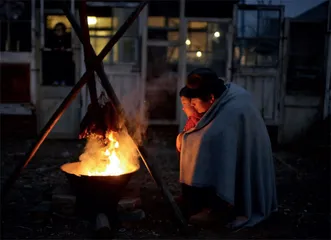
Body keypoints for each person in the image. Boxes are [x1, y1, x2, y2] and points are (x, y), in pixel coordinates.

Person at [178, 68, 278, 229]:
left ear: (211, 98)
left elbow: (208, 136)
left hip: (247, 157)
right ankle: (202, 201)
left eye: (195, 103)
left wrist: (184, 138)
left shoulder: (233, 110)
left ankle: (221, 207)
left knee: (200, 144)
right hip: (243, 150)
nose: (193, 108)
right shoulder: (227, 93)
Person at [176, 87, 204, 152]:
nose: (183, 109)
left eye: (184, 104)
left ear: (194, 102)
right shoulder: (192, 120)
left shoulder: (198, 122)